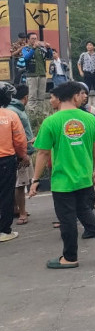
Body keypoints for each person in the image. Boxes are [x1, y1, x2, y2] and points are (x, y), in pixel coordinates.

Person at [28, 82, 95, 268]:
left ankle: (69, 257)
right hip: (84, 177)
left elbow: (42, 153)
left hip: (62, 180)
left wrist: (35, 180)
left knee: (66, 218)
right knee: (84, 209)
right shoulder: (89, 118)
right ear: (75, 96)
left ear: (59, 99)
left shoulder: (51, 121)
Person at [0, 82, 29, 243]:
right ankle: (4, 231)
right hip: (5, 161)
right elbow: (19, 140)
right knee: (5, 195)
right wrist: (23, 155)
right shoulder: (10, 116)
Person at [8, 84, 34, 225]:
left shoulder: (12, 109)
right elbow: (18, 135)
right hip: (20, 152)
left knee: (14, 183)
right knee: (20, 183)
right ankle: (22, 213)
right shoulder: (15, 111)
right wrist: (23, 153)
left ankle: (15, 208)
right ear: (26, 97)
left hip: (14, 152)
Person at [21, 32, 53, 111]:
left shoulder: (41, 49)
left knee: (41, 96)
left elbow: (49, 56)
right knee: (32, 96)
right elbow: (26, 57)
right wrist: (33, 48)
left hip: (42, 74)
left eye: (35, 38)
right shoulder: (26, 49)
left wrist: (49, 48)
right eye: (32, 39)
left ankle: (40, 113)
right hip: (32, 75)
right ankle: (31, 113)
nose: (34, 40)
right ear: (28, 40)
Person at [77, 41, 95, 106]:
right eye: (87, 45)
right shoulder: (83, 54)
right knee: (86, 89)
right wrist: (80, 71)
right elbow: (79, 63)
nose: (89, 46)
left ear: (94, 47)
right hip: (87, 73)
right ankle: (85, 105)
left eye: (90, 45)